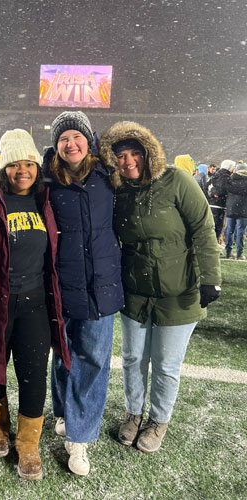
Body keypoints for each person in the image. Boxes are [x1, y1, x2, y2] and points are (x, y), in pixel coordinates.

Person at [99, 121, 221, 453]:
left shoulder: (177, 180)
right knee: (133, 357)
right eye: (120, 156)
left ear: (148, 152)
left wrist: (210, 277)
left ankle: (158, 420)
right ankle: (134, 414)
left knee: (166, 363)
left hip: (178, 290)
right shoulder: (118, 191)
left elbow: (203, 228)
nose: (128, 162)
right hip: (135, 290)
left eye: (134, 153)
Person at [0, 129, 70, 480]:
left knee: (33, 374)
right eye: (15, 164)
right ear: (3, 167)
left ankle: (28, 443)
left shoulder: (45, 199)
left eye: (28, 163)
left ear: (36, 165)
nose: (23, 171)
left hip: (33, 303)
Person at [42, 111, 124, 476]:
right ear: (56, 146)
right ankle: (63, 412)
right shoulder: (47, 182)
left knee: (92, 360)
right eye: (63, 139)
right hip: (61, 285)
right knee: (63, 355)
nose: (70, 144)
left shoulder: (109, 177)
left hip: (101, 287)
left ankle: (80, 438)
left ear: (88, 140)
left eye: (76, 136)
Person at [206, 159, 235, 243]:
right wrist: (215, 193)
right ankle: (214, 245)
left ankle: (212, 244)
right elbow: (222, 191)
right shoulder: (225, 177)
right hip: (220, 206)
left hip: (212, 204)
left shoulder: (215, 175)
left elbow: (207, 187)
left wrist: (211, 192)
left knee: (213, 227)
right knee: (218, 227)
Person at [224, 163, 247, 260]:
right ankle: (239, 254)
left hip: (231, 208)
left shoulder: (230, 179)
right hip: (243, 209)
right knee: (241, 232)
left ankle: (228, 252)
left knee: (229, 230)